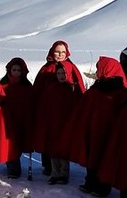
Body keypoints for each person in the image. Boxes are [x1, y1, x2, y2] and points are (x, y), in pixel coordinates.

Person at [69, 56, 127, 196]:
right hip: (93, 129)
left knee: (105, 158)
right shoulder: (97, 88)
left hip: (109, 132)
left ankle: (103, 186)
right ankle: (90, 181)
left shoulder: (120, 92)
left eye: (99, 68)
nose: (97, 71)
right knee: (92, 155)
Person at [31, 40, 86, 176]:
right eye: (57, 51)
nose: (60, 54)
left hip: (64, 113)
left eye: (63, 52)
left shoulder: (71, 68)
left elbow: (78, 89)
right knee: (47, 137)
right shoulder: (46, 69)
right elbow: (37, 89)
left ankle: (62, 170)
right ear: (52, 52)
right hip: (47, 111)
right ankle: (48, 166)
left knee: (61, 140)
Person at [0, 57, 33, 179]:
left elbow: (30, 104)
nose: (16, 72)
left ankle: (14, 168)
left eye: (19, 70)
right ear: (9, 70)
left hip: (19, 120)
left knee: (15, 146)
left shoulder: (27, 87)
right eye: (14, 69)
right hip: (4, 120)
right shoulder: (2, 85)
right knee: (0, 144)